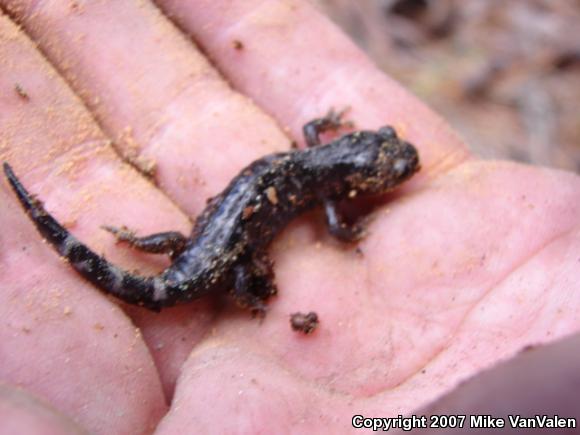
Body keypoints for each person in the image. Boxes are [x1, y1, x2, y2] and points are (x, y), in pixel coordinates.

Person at [0, 1, 578, 433]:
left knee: (187, 248)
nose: (401, 173)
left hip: (193, 252)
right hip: (206, 269)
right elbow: (335, 223)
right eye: (392, 168)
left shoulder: (317, 160)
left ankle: (139, 245)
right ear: (359, 177)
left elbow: (312, 138)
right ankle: (236, 290)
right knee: (228, 269)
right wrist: (347, 233)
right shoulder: (329, 193)